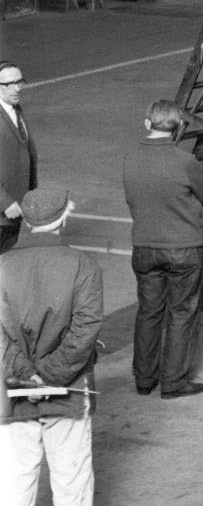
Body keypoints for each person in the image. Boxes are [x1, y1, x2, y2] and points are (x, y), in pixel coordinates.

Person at [0, 184, 103, 506]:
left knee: (15, 485)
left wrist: (27, 375)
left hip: (13, 391)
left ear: (27, 222)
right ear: (62, 219)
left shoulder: (3, 266)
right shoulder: (82, 265)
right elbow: (84, 330)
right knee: (72, 483)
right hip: (69, 394)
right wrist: (49, 376)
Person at [121, 99, 203, 399]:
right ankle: (173, 383)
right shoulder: (185, 161)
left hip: (144, 245)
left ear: (147, 124)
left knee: (149, 311)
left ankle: (144, 380)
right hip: (183, 248)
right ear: (179, 128)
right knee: (182, 312)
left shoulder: (131, 157)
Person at [0, 60, 38, 255]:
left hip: (16, 206)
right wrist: (4, 202)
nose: (16, 88)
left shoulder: (16, 109)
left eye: (19, 82)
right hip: (5, 208)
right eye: (8, 84)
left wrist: (30, 194)